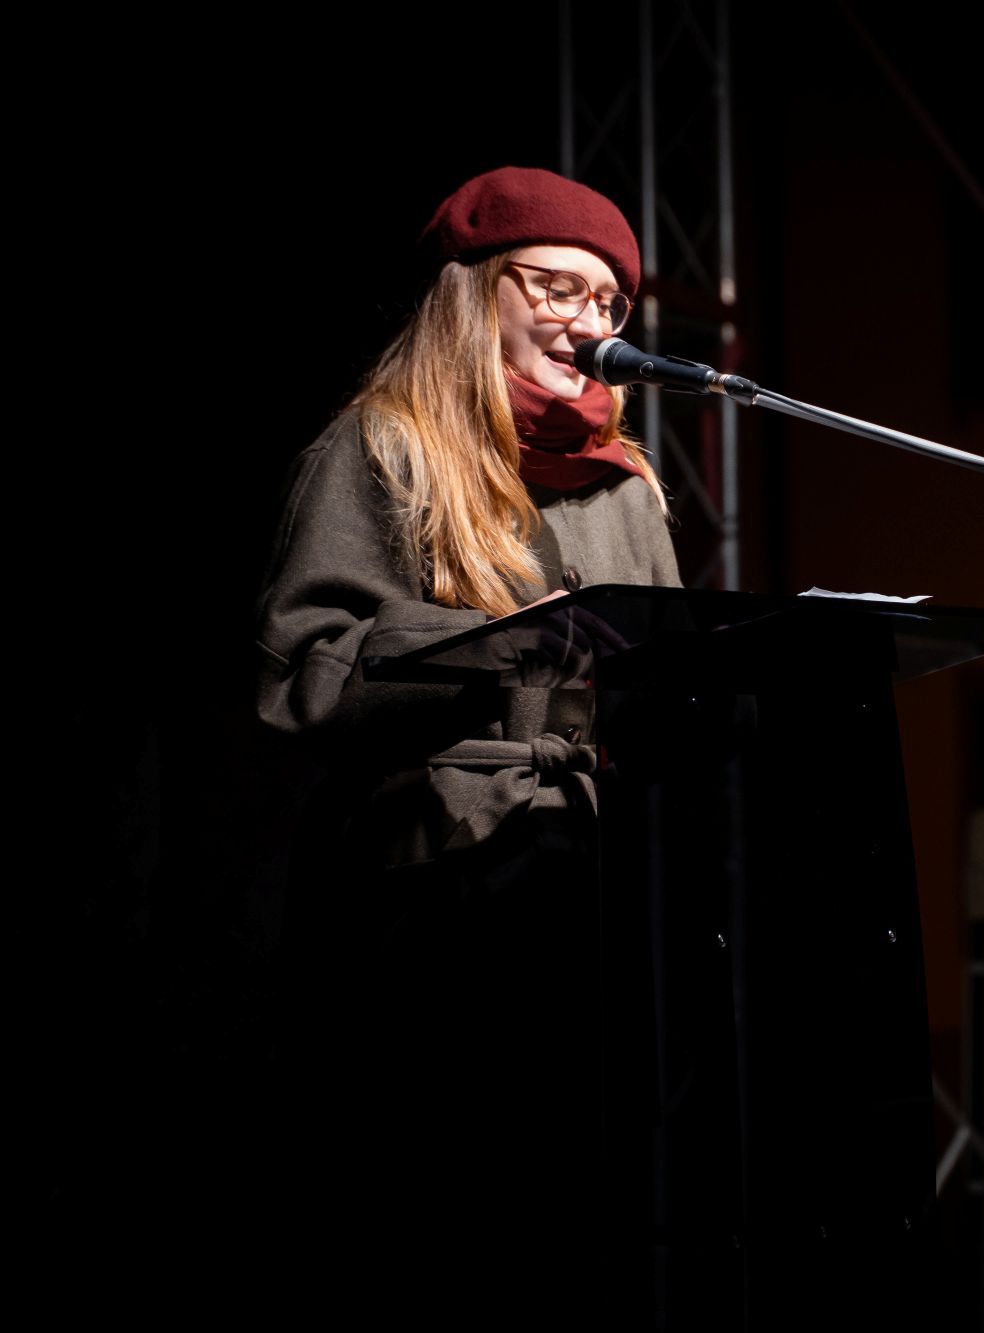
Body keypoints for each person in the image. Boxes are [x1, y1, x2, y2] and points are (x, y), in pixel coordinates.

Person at [253, 166, 681, 1321]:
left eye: (607, 302)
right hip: (430, 888)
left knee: (584, 1231)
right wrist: (499, 646)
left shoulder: (627, 488)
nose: (586, 319)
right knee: (440, 1226)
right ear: (473, 292)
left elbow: (662, 695)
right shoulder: (383, 448)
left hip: (599, 896)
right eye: (554, 286)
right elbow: (307, 670)